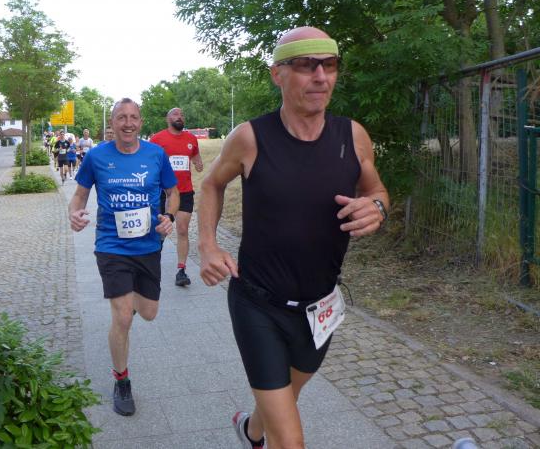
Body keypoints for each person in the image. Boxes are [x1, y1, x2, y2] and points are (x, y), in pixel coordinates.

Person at [198, 26, 389, 449]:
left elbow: (376, 190)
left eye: (329, 65)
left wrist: (376, 207)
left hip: (320, 308)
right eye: (305, 65)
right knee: (290, 439)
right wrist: (208, 245)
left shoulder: (353, 136)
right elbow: (211, 184)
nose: (320, 76)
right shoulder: (251, 137)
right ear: (277, 74)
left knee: (284, 395)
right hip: (257, 302)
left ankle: (250, 432)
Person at [68, 98, 179, 417]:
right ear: (113, 123)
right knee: (123, 318)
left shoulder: (156, 154)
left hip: (148, 246)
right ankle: (122, 380)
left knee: (149, 313)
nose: (127, 123)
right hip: (111, 247)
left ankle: (127, 301)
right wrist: (74, 214)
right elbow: (79, 195)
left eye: (133, 117)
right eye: (121, 117)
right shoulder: (96, 156)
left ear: (140, 122)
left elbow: (173, 193)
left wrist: (170, 217)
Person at [150, 108, 203, 286]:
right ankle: (151, 264)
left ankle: (181, 270)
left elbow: (195, 156)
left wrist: (198, 163)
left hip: (185, 191)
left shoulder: (191, 139)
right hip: (163, 192)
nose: (179, 117)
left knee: (182, 230)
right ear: (168, 119)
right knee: (160, 230)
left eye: (182, 115)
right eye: (175, 114)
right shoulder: (157, 139)